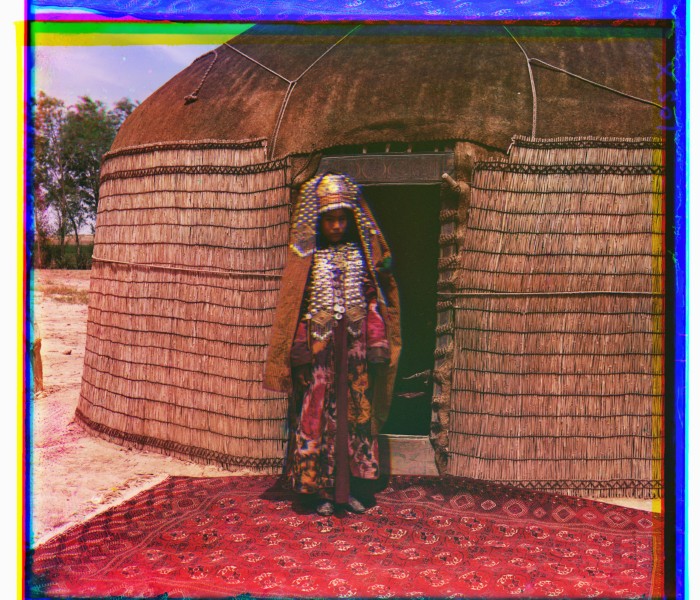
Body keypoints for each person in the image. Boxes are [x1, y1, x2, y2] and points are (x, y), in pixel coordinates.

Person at [263, 172, 401, 516]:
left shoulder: (361, 259)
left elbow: (373, 302)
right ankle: (320, 492)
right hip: (320, 357)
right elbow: (297, 309)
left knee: (356, 416)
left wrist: (377, 344)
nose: (337, 226)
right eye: (330, 220)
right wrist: (299, 353)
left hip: (354, 355)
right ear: (319, 222)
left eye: (342, 219)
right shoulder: (308, 263)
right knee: (316, 418)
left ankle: (353, 489)